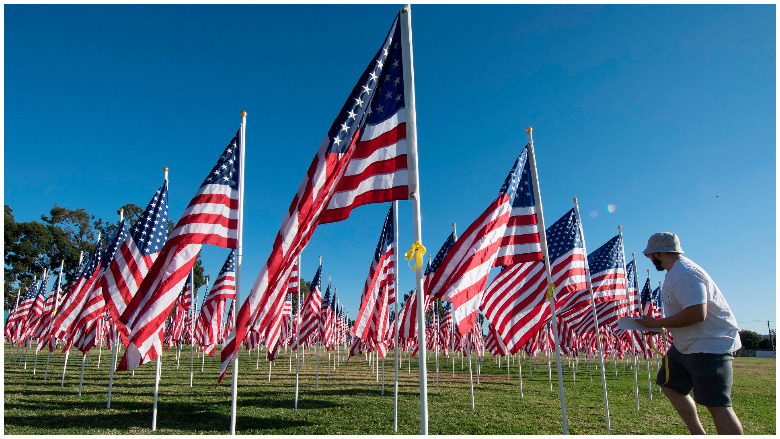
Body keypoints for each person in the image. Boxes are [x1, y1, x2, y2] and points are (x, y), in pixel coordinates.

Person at [637, 232, 743, 434]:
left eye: (650, 255)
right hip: (686, 345)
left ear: (658, 253)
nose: (649, 259)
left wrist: (659, 323)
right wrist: (657, 326)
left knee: (718, 405)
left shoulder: (685, 273)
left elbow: (697, 313)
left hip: (709, 344)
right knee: (669, 384)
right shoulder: (674, 272)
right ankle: (698, 434)